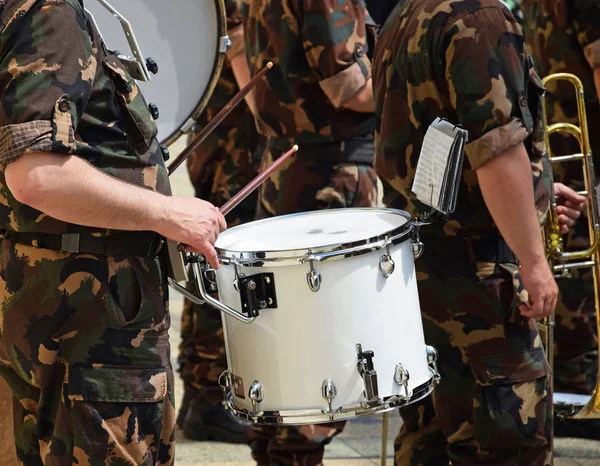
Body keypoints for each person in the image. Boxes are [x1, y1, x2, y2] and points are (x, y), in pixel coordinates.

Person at [0, 0, 225, 463]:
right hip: (88, 324)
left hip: (44, 305)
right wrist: (166, 213)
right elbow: (37, 175)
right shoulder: (51, 13)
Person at [373, 0, 585, 464]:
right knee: (509, 442)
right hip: (478, 273)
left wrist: (537, 190)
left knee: (431, 439)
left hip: (420, 266)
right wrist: (533, 261)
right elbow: (495, 150)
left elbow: (441, 139)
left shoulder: (408, 13)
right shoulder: (481, 15)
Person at [243, 0, 380, 463]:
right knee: (326, 356)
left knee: (284, 342)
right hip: (330, 173)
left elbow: (239, 48)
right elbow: (353, 88)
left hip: (291, 161)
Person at [176, 0, 259, 444]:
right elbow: (241, 53)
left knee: (208, 259)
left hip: (222, 138)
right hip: (238, 144)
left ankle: (200, 390)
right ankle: (207, 396)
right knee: (220, 261)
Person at [521, 0, 600, 438]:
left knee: (570, 263)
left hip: (556, 145)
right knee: (578, 268)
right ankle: (578, 382)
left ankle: (570, 380)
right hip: (581, 148)